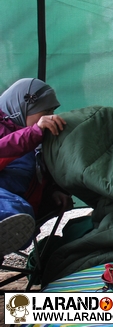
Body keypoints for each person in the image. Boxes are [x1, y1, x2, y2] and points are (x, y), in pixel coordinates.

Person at [0, 78, 71, 257]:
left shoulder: (39, 142)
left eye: (53, 111)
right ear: (23, 109)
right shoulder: (23, 133)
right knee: (12, 209)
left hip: (21, 205)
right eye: (46, 111)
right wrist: (33, 133)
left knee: (21, 211)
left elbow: (39, 177)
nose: (51, 116)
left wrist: (53, 191)